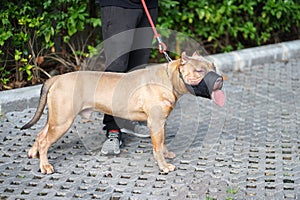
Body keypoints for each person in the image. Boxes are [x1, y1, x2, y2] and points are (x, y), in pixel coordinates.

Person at [97, 0, 158, 155]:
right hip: (119, 5)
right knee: (116, 70)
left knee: (137, 68)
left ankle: (129, 119)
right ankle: (113, 129)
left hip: (148, 5)